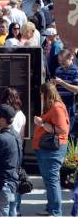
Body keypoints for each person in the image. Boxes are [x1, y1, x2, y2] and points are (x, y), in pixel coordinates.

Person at [33, 82, 70, 216]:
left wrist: (41, 123)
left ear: (46, 94)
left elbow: (62, 130)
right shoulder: (52, 106)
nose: (41, 97)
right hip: (46, 150)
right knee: (49, 180)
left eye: (42, 94)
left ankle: (55, 212)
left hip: (52, 150)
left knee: (52, 180)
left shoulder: (57, 107)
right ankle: (51, 209)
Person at [0, 105, 22, 217]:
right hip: (13, 184)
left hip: (2, 187)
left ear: (2, 120)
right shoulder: (16, 135)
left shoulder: (1, 139)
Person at [54, 49, 78, 135]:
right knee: (59, 129)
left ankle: (69, 148)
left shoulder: (75, 71)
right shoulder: (58, 70)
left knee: (69, 130)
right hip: (58, 103)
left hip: (69, 104)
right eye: (59, 61)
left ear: (70, 58)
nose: (61, 63)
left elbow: (76, 89)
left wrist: (62, 83)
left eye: (63, 61)